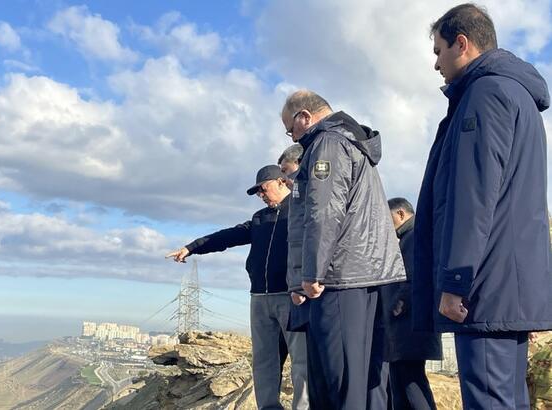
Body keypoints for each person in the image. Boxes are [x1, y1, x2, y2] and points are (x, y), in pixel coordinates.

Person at [413, 4, 552, 409]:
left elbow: (471, 196)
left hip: (483, 289)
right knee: (509, 401)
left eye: (438, 51)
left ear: (462, 43)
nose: (435, 64)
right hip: (509, 286)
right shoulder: (517, 95)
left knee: (489, 401)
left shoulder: (484, 94)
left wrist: (456, 281)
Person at [281, 90, 406, 409]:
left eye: (290, 130)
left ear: (304, 117)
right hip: (363, 277)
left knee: (337, 385)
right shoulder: (351, 144)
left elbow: (324, 210)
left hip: (339, 278)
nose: (292, 137)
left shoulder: (328, 144)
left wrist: (311, 273)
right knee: (365, 382)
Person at [166, 164, 309, 410]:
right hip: (259, 297)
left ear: (280, 182)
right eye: (257, 193)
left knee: (301, 361)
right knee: (264, 360)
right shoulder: (259, 219)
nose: (261, 196)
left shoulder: (302, 211)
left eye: (263, 189)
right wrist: (192, 247)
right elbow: (227, 237)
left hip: (291, 296)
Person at [384, 197, 441, 409]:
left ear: (400, 214)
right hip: (407, 328)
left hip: (410, 326)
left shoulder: (415, 237)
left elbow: (414, 277)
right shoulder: (411, 237)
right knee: (401, 384)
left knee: (412, 385)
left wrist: (399, 302)